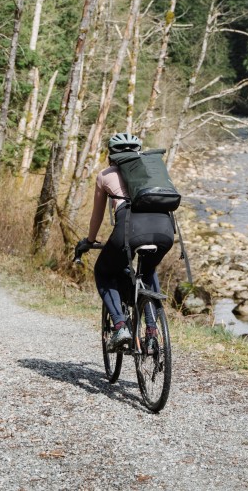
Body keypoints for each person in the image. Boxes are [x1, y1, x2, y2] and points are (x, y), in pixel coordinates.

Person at [76, 133, 176, 352]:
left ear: (111, 155)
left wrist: (89, 241)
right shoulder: (153, 171)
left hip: (130, 230)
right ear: (138, 151)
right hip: (165, 230)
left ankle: (120, 326)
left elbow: (97, 215)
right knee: (148, 270)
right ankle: (151, 333)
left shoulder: (105, 175)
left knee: (105, 271)